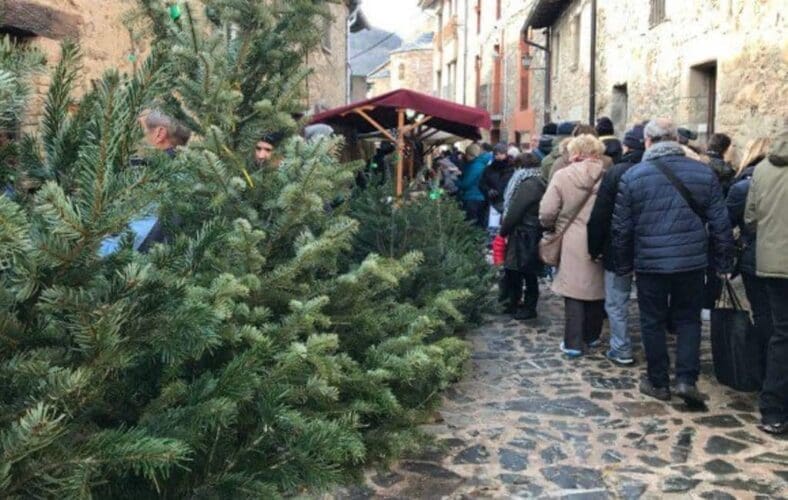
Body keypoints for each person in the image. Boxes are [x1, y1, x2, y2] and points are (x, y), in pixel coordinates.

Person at [612, 118, 734, 406]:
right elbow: (721, 223)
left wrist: (622, 264)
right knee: (688, 320)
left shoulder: (633, 176)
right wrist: (723, 261)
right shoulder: (703, 174)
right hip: (691, 262)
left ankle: (658, 382)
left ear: (648, 142)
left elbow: (621, 228)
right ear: (677, 141)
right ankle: (685, 380)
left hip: (650, 263)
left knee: (652, 321)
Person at [539, 135, 607, 358]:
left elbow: (547, 211)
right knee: (597, 288)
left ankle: (573, 343)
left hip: (571, 238)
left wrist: (551, 226)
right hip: (601, 236)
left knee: (574, 291)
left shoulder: (562, 175)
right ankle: (593, 336)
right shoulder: (607, 175)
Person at [587, 123, 646, 366]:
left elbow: (600, 215)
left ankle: (621, 348)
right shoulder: (657, 170)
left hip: (618, 245)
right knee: (652, 301)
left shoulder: (616, 172)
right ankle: (655, 348)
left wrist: (594, 247)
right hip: (652, 247)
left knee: (617, 299)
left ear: (627, 146)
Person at [744, 130, 788, 435]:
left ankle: (773, 409)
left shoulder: (761, 168)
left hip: (773, 264)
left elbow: (750, 217)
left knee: (781, 335)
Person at [726, 137, 772, 385]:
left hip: (754, 256)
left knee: (762, 313)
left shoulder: (743, 186)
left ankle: (764, 367)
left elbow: (728, 222)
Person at [499, 153, 546, 320]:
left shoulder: (529, 183)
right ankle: (516, 302)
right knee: (524, 270)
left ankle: (525, 306)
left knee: (523, 270)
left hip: (524, 233)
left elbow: (515, 210)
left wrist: (503, 229)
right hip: (527, 231)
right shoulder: (537, 180)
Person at [457, 143, 488, 227]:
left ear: (471, 154)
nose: (466, 156)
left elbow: (465, 184)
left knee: (472, 224)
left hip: (473, 198)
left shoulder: (475, 166)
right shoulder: (478, 164)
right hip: (479, 197)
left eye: (466, 154)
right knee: (478, 224)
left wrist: (456, 180)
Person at [480, 143, 515, 214]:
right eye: (496, 154)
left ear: (505, 154)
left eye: (501, 153)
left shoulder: (513, 168)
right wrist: (488, 190)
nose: (498, 156)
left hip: (509, 202)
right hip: (493, 202)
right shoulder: (489, 169)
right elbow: (482, 183)